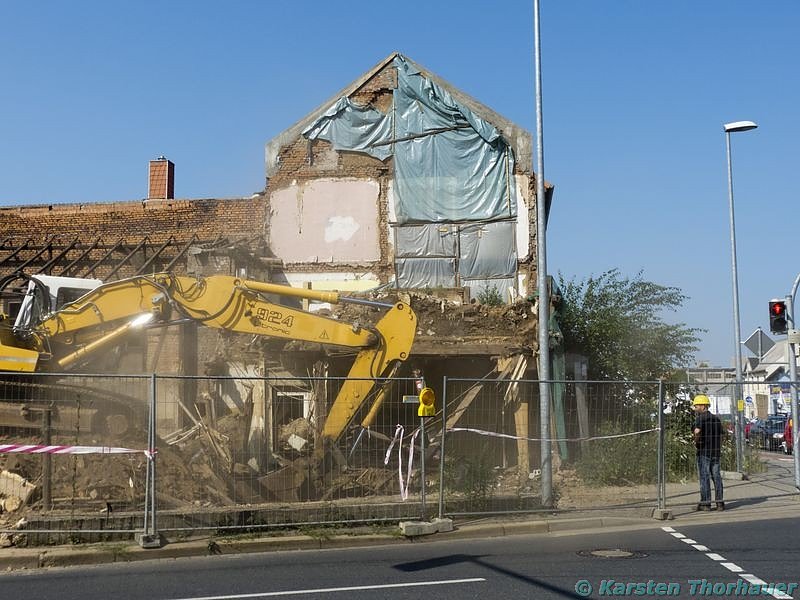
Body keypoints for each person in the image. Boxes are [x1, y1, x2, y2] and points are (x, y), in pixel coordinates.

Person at [692, 394, 724, 511]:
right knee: (716, 477)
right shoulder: (716, 419)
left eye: (696, 406)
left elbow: (697, 432)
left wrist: (696, 441)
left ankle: (705, 504)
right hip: (716, 451)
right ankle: (720, 503)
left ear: (703, 406)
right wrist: (718, 447)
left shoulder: (700, 418)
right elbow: (721, 435)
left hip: (704, 451)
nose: (695, 408)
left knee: (704, 477)